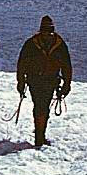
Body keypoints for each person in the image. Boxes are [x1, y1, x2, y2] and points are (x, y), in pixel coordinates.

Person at [17, 15, 72, 148]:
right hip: (36, 80)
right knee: (41, 106)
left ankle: (40, 134)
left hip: (49, 81)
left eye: (49, 30)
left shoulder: (36, 43)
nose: (47, 34)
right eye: (45, 30)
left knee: (42, 107)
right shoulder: (38, 43)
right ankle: (39, 137)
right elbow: (22, 64)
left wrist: (67, 84)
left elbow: (66, 66)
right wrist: (21, 82)